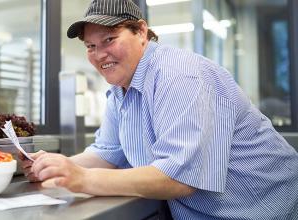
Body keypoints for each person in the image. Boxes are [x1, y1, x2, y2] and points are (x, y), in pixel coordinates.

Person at [20, 0, 298, 219]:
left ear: (141, 32)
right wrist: (55, 167)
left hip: (268, 209)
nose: (98, 54)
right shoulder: (121, 89)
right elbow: (107, 152)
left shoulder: (178, 76)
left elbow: (178, 178)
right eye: (90, 46)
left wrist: (83, 178)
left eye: (109, 40)